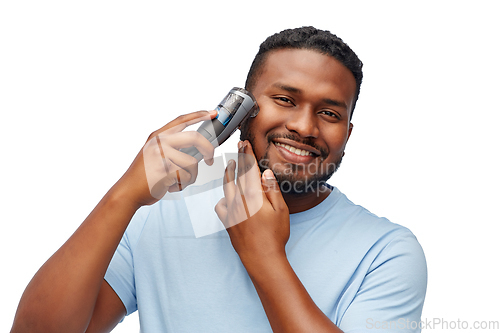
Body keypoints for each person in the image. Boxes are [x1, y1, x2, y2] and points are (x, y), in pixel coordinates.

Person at [11, 26, 427, 333]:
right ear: (245, 110)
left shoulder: (387, 251)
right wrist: (124, 196)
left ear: (347, 134)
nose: (304, 126)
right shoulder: (163, 208)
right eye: (285, 99)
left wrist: (264, 256)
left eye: (330, 113)